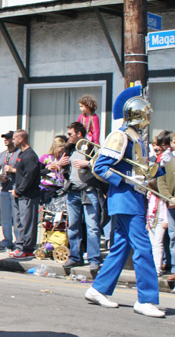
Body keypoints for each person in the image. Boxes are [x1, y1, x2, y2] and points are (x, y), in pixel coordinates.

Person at [86, 86, 165, 318]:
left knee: (121, 247)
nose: (149, 118)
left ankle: (98, 289)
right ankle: (146, 299)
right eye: (146, 113)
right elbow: (99, 167)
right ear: (138, 115)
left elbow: (140, 170)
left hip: (133, 197)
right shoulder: (120, 136)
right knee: (143, 247)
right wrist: (126, 182)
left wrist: (161, 166)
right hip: (125, 198)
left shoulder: (137, 138)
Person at [59, 121, 102, 275]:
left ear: (79, 134)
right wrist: (60, 164)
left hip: (88, 191)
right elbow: (63, 168)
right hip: (73, 191)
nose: (68, 137)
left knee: (92, 226)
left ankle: (94, 259)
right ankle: (75, 256)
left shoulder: (91, 147)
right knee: (73, 225)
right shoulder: (69, 149)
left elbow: (101, 164)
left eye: (70, 134)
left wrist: (88, 163)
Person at [7, 130, 40, 260]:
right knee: (19, 221)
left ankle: (27, 249)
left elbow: (29, 177)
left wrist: (18, 191)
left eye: (14, 138)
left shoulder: (30, 156)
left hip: (28, 195)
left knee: (27, 222)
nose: (12, 141)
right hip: (20, 194)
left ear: (21, 139)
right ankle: (20, 246)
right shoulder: (21, 154)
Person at [0, 131, 19, 251]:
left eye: (8, 138)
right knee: (5, 218)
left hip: (15, 188)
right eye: (4, 138)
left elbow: (25, 171)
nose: (6, 140)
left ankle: (18, 241)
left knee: (16, 217)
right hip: (4, 189)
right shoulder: (1, 155)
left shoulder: (19, 153)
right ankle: (7, 241)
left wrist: (12, 169)